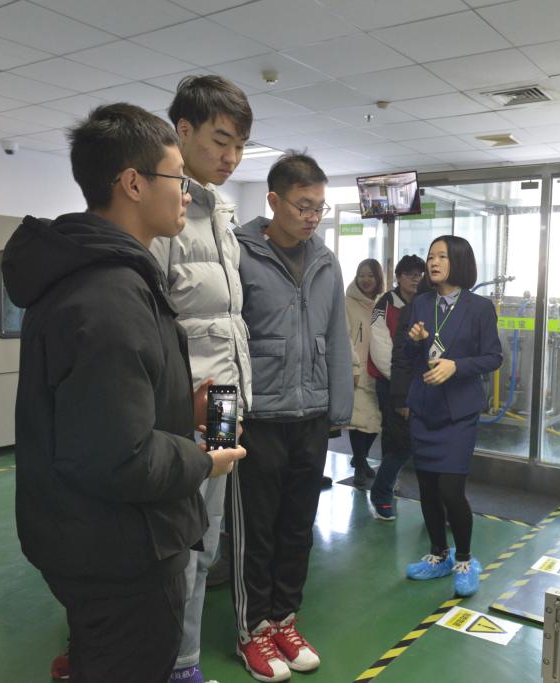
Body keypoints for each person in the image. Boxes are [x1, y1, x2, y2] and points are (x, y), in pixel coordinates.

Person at [1, 103, 245, 683]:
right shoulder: (108, 295)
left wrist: (179, 408)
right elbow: (119, 456)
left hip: (91, 536)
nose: (186, 193)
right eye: (177, 179)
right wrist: (204, 461)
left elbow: (100, 413)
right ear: (133, 184)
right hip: (118, 550)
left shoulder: (106, 276)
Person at [231, 151, 352, 682]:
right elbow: (227, 340)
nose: (312, 217)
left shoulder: (326, 260)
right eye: (303, 206)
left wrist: (338, 410)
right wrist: (227, 421)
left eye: (319, 207)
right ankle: (252, 629)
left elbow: (337, 337)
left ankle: (284, 619)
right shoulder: (238, 254)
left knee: (298, 527)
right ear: (273, 201)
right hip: (257, 417)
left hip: (310, 416)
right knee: (256, 532)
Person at [148, 74, 253, 683]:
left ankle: (181, 660)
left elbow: (227, 322)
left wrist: (234, 401)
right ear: (182, 131)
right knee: (177, 546)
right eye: (220, 140)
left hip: (223, 401)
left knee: (207, 542)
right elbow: (152, 324)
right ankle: (174, 663)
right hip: (182, 406)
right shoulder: (163, 214)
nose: (231, 156)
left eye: (239, 145)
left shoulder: (221, 215)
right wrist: (176, 404)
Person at [402, 236, 502, 597]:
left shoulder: (480, 307)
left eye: (442, 256)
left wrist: (456, 366)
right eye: (431, 256)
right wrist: (415, 341)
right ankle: (438, 555)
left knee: (450, 489)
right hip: (425, 408)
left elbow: (493, 357)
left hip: (458, 413)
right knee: (427, 487)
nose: (433, 262)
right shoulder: (421, 303)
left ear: (458, 261)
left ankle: (464, 559)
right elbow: (409, 357)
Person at [367, 255, 426, 519]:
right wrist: (404, 382)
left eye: (419, 275)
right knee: (400, 442)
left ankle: (433, 503)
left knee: (413, 443)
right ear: (398, 277)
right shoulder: (384, 304)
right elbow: (381, 349)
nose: (415, 279)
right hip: (393, 384)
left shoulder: (426, 302)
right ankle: (382, 493)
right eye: (410, 274)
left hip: (423, 385)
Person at [345, 258, 384, 488]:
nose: (365, 280)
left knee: (375, 421)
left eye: (370, 275)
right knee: (358, 421)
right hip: (358, 370)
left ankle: (360, 458)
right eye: (361, 275)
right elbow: (345, 337)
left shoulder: (382, 302)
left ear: (378, 278)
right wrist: (353, 366)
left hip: (378, 369)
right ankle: (360, 464)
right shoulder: (348, 302)